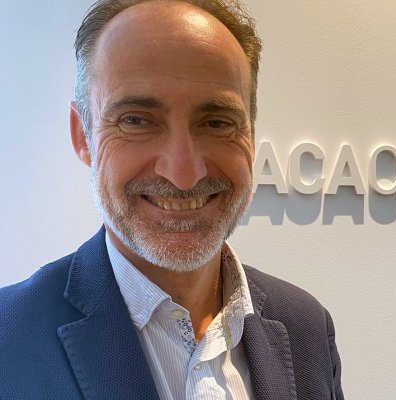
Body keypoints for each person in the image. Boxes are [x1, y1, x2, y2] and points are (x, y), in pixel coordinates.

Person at [0, 1, 343, 399]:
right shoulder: (10, 338)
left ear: (250, 137)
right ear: (82, 136)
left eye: (217, 122)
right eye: (135, 120)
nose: (183, 173)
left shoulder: (306, 327)